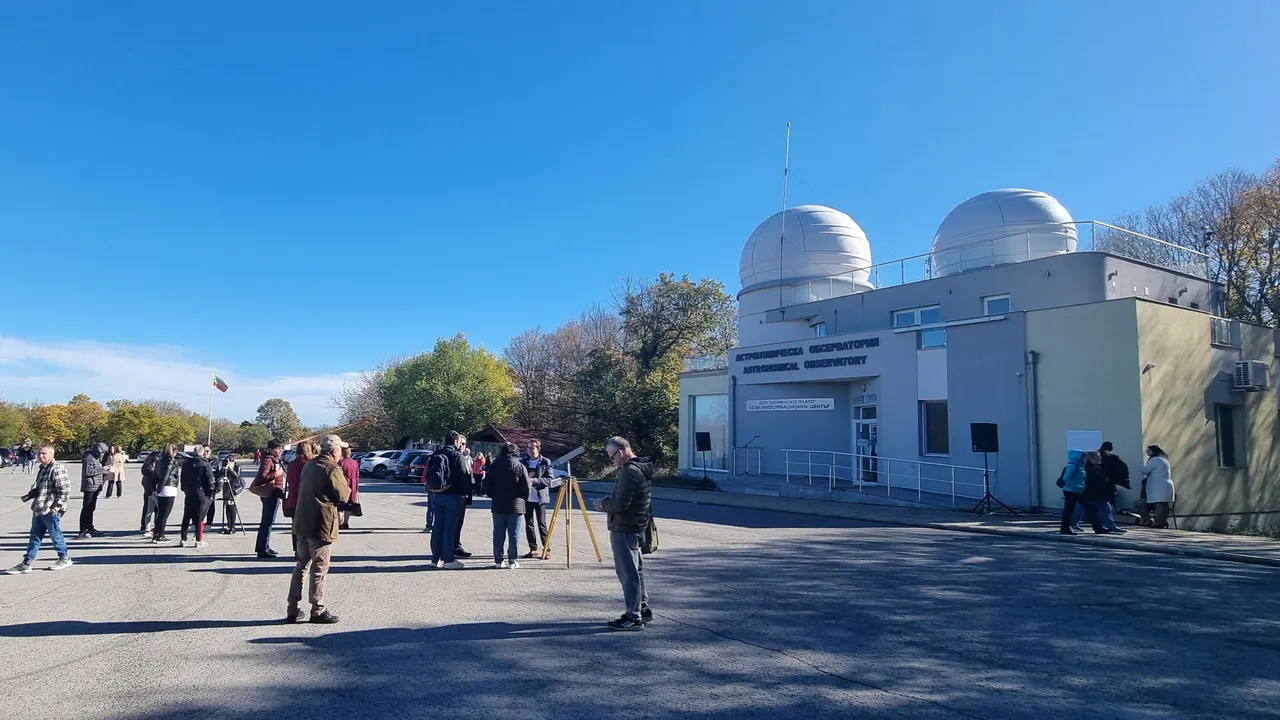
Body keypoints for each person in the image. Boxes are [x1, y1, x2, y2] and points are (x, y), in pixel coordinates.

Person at [286, 434, 352, 624]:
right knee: (319, 569)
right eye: (340, 450)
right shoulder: (332, 468)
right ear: (335, 451)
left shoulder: (309, 465)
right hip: (321, 524)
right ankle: (317, 609)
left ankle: (292, 608)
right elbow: (343, 494)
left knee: (301, 566)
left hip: (302, 522)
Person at [593, 436, 655, 631]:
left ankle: (632, 616)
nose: (613, 462)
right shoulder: (641, 468)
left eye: (612, 457)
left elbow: (620, 504)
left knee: (628, 573)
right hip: (637, 526)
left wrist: (602, 504)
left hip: (626, 528)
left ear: (620, 452)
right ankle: (642, 608)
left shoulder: (629, 471)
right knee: (636, 571)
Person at [5, 445, 74, 574]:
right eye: (39, 454)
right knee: (35, 536)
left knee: (55, 534)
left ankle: (64, 558)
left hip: (50, 509)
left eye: (44, 453)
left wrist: (55, 508)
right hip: (39, 508)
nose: (41, 456)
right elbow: (43, 487)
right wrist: (32, 493)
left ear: (52, 454)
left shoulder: (57, 468)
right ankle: (26, 563)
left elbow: (65, 491)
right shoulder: (43, 468)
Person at [428, 431, 470, 569]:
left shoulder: (436, 454)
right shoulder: (457, 455)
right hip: (454, 495)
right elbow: (464, 476)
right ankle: (448, 559)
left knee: (437, 525)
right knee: (450, 527)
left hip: (437, 493)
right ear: (456, 441)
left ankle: (435, 559)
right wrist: (466, 494)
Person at [485, 443, 530, 569]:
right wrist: (523, 498)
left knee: (498, 533)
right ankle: (512, 560)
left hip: (498, 504)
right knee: (514, 534)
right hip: (516, 504)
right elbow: (527, 486)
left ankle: (498, 560)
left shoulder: (495, 465)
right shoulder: (520, 466)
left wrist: (493, 495)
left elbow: (487, 484)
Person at [1057, 449, 1107, 535]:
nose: (1085, 458)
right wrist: (1078, 486)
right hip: (1071, 491)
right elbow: (1066, 478)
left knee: (1090, 508)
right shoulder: (1073, 466)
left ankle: (1098, 528)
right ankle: (1065, 529)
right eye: (1084, 456)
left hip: (1078, 491)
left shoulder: (1080, 466)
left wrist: (1081, 486)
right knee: (1070, 510)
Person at [178, 445, 217, 548]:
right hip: (201, 491)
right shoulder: (205, 464)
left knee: (186, 515)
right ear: (202, 452)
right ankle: (199, 540)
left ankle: (183, 539)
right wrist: (211, 491)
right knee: (200, 516)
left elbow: (182, 477)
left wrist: (184, 488)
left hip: (189, 491)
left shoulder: (186, 463)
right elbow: (209, 480)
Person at [252, 440, 286, 558]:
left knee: (269, 522)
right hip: (269, 494)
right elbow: (262, 477)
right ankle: (262, 549)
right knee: (267, 522)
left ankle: (265, 546)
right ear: (270, 449)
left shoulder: (275, 460)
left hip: (275, 494)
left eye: (280, 448)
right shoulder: (268, 460)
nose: (279, 450)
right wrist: (276, 474)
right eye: (276, 448)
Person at [522, 440, 553, 559]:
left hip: (540, 498)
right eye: (528, 448)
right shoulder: (523, 461)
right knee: (529, 524)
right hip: (527, 498)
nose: (530, 450)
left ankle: (546, 549)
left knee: (542, 524)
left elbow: (549, 480)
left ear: (538, 449)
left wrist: (535, 481)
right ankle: (533, 549)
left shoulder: (545, 462)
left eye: (532, 448)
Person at [284, 442, 318, 551]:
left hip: (294, 497)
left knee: (295, 526)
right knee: (309, 525)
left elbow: (289, 480)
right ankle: (308, 549)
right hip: (308, 498)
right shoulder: (311, 464)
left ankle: (296, 549)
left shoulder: (291, 464)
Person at [151, 444, 181, 543]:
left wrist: (155, 489)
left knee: (160, 513)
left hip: (161, 488)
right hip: (168, 488)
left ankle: (156, 534)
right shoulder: (169, 461)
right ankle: (161, 535)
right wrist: (159, 490)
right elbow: (165, 476)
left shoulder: (159, 461)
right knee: (164, 514)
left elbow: (156, 476)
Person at [1140, 445, 1176, 528]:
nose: (1147, 453)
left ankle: (1158, 522)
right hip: (1165, 484)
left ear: (1154, 451)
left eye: (1149, 451)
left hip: (1158, 485)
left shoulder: (1155, 460)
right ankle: (1162, 521)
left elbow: (1144, 471)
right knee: (1164, 504)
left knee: (1159, 503)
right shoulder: (1164, 460)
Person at [78, 442, 108, 538]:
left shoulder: (96, 457)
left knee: (91, 508)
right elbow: (88, 472)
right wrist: (102, 469)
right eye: (101, 452)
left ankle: (90, 528)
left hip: (96, 485)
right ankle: (83, 529)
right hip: (90, 485)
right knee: (86, 508)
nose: (102, 454)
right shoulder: (89, 457)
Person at [209, 456, 244, 534]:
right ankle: (229, 525)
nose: (229, 463)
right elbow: (219, 476)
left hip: (235, 489)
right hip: (227, 488)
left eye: (231, 461)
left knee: (232, 506)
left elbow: (236, 477)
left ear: (234, 461)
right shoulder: (224, 467)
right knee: (227, 506)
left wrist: (230, 469)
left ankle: (232, 526)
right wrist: (223, 469)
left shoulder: (238, 467)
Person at [453, 435, 474, 558]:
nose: (463, 446)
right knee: (453, 523)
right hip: (455, 496)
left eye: (465, 444)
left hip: (463, 496)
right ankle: (452, 547)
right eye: (461, 444)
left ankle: (456, 545)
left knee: (459, 523)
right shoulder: (455, 457)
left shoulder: (465, 458)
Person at [338, 445, 360, 530]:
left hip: (344, 484)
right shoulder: (355, 463)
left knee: (340, 505)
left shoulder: (341, 462)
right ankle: (346, 522)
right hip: (353, 484)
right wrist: (356, 487)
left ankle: (340, 523)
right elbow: (357, 476)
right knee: (349, 504)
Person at [139, 450, 160, 535]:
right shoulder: (152, 471)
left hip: (147, 491)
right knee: (156, 510)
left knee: (147, 509)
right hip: (153, 491)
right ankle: (156, 528)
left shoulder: (146, 468)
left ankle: (144, 526)